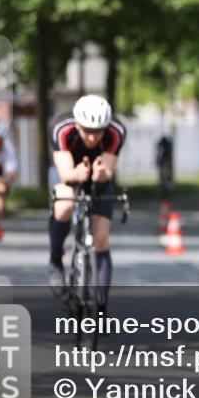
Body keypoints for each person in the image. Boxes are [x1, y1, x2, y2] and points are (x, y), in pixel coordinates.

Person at [47, 95, 127, 309]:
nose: (92, 138)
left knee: (101, 239)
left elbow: (108, 168)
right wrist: (76, 173)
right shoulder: (61, 129)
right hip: (69, 168)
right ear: (77, 125)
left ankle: (101, 306)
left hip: (97, 176)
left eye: (97, 131)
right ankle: (56, 258)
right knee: (64, 205)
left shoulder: (116, 132)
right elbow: (65, 173)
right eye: (87, 131)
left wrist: (102, 173)